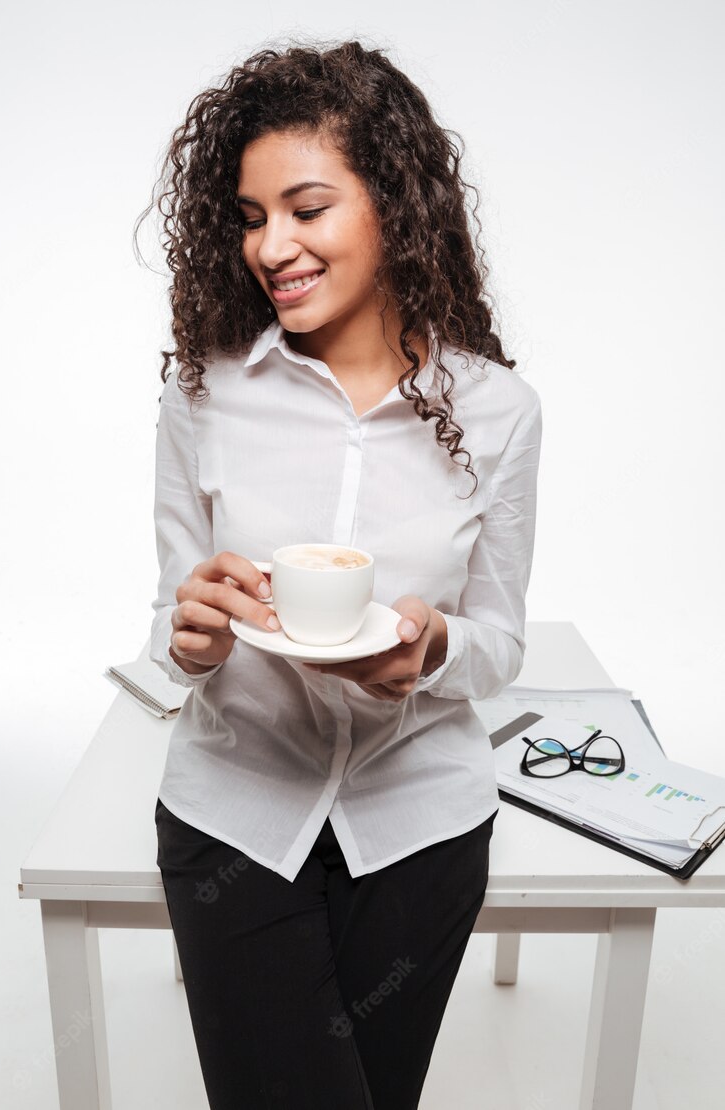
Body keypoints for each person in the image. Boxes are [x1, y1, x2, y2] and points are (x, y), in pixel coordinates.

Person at [136, 37, 542, 1110]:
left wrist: (432, 648)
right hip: (235, 819)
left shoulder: (495, 412)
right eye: (249, 216)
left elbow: (498, 641)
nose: (271, 246)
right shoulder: (205, 395)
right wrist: (190, 635)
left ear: (395, 206)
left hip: (418, 825)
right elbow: (169, 625)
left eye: (305, 209)